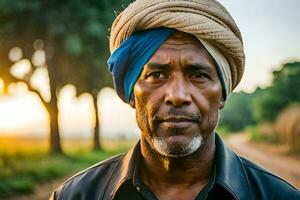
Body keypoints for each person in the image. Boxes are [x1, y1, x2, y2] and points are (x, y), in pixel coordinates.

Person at [50, 0, 300, 199]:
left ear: (222, 93)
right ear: (131, 94)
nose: (178, 96)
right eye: (156, 75)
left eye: (198, 75)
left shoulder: (279, 196)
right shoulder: (76, 195)